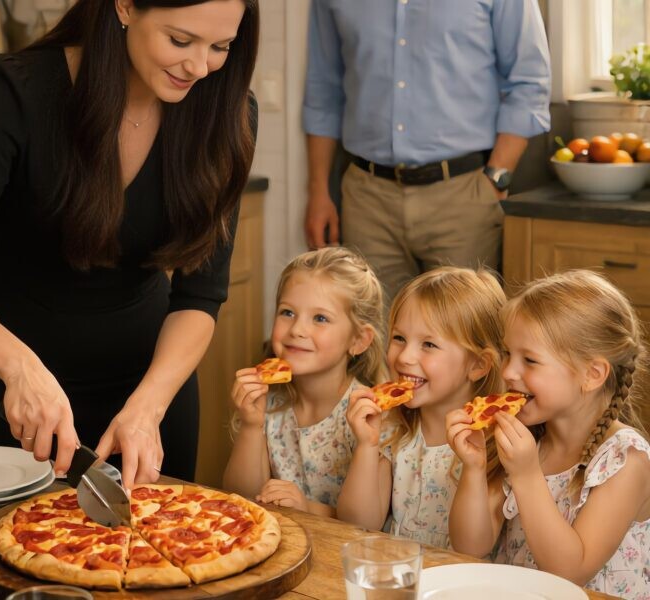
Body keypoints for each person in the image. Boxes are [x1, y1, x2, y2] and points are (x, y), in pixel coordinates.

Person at [0, 0, 259, 488]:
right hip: (18, 397)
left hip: (150, 392)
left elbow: (200, 296)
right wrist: (19, 370)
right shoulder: (20, 89)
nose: (199, 67)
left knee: (164, 556)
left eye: (221, 46)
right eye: (179, 41)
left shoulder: (226, 109)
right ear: (126, 6)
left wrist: (149, 405)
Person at [302, 0, 551, 304]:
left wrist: (496, 178)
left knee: (460, 336)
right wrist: (318, 192)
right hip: (366, 201)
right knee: (373, 338)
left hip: (463, 196)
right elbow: (323, 91)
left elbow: (529, 81)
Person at [447, 271, 650, 598]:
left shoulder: (626, 460)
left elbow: (570, 571)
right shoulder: (530, 438)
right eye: (508, 354)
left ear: (592, 374)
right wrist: (473, 467)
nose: (509, 372)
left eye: (530, 360)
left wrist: (526, 475)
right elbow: (471, 545)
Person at [337, 267, 505, 548]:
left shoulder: (495, 445)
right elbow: (358, 523)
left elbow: (473, 549)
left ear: (477, 365)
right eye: (399, 338)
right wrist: (366, 446)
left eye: (428, 344)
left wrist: (474, 470)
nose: (405, 357)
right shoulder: (395, 430)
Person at [222, 247, 386, 516]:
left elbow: (366, 524)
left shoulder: (371, 414)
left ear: (359, 340)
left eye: (320, 318)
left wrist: (306, 509)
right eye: (287, 313)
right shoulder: (270, 404)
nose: (297, 330)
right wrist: (252, 426)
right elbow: (242, 498)